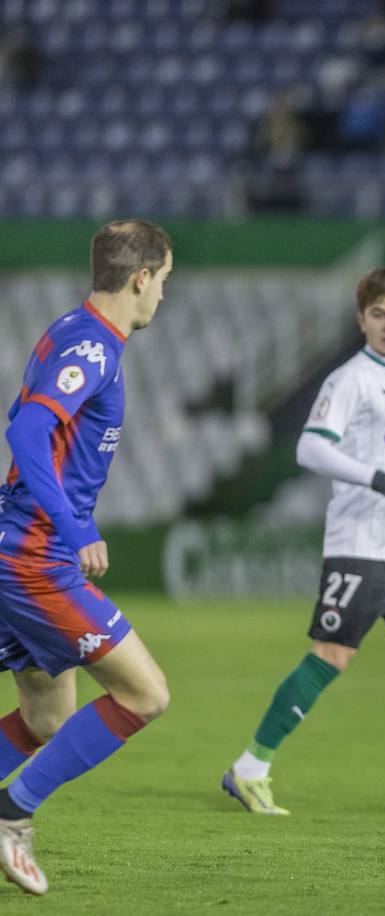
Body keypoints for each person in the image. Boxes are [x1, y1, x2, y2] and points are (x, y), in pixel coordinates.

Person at [222, 268, 385, 817]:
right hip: (360, 544)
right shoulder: (350, 380)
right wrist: (376, 478)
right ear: (361, 321)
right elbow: (310, 450)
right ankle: (249, 770)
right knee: (331, 656)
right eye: (378, 314)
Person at [0, 220, 176, 895]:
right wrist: (74, 530)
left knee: (45, 715)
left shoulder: (71, 328)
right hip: (38, 559)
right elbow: (25, 428)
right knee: (144, 693)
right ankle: (12, 815)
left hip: (20, 545)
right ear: (140, 279)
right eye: (162, 282)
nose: (162, 295)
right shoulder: (94, 349)